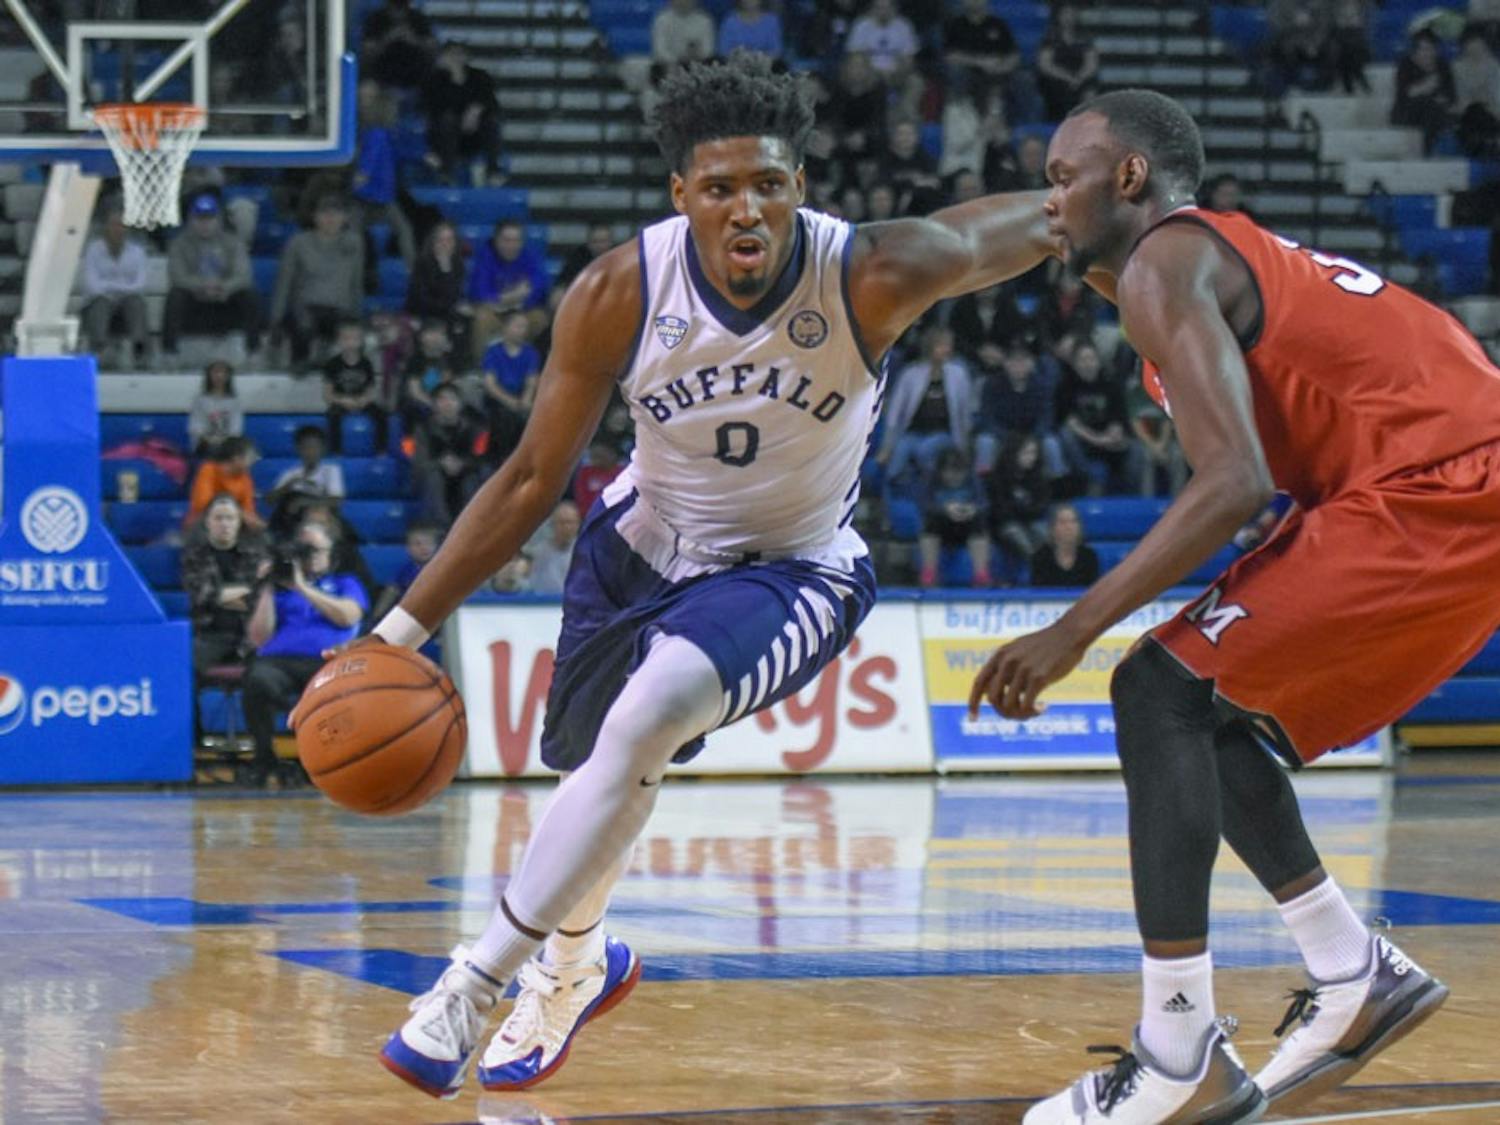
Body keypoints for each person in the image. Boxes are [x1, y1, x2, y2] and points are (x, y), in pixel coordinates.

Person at [346, 52, 1056, 1102]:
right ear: (681, 197)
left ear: (800, 188)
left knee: (648, 721)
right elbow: (533, 476)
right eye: (720, 187)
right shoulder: (616, 292)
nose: (747, 208)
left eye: (769, 183)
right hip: (636, 546)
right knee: (595, 774)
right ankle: (578, 967)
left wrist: (1134, 202)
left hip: (792, 569)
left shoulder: (868, 273)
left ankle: (471, 983)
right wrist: (393, 637)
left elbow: (1046, 220)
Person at [971, 88, 1497, 1122]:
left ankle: (1178, 1055)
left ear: (1128, 176)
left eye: (1061, 176)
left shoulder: (1166, 258)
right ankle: (1353, 971)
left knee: (1153, 691)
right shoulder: (1190, 266)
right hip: (1438, 483)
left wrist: (1071, 627)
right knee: (1201, 709)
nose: (1050, 202)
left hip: (1441, 484)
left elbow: (1231, 484)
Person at [245, 520, 367, 787]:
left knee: (325, 688)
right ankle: (265, 758)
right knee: (257, 680)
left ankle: (315, 763)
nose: (308, 557)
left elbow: (348, 617)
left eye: (314, 550)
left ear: (330, 554)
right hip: (278, 662)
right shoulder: (279, 590)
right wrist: (267, 586)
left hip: (326, 661)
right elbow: (258, 638)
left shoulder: (345, 582)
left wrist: (303, 588)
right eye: (303, 550)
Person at [271, 195, 365, 369]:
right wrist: (275, 319)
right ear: (315, 217)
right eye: (325, 214)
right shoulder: (298, 243)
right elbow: (284, 282)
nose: (330, 219)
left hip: (339, 308)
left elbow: (356, 281)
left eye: (336, 214)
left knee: (352, 335)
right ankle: (299, 368)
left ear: (344, 218)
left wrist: (357, 315)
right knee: (302, 326)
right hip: (306, 306)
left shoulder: (353, 243)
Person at [163, 193, 260, 359]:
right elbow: (178, 276)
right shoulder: (179, 244)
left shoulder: (233, 242)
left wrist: (224, 287)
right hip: (195, 302)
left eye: (209, 218)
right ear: (191, 220)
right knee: (175, 297)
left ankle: (253, 350)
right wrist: (202, 285)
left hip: (224, 300)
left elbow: (243, 275)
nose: (205, 224)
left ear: (218, 220)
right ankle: (169, 352)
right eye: (200, 219)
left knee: (249, 296)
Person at [182, 494, 272, 674]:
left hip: (248, 635)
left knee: (269, 670)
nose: (224, 524)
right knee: (183, 665)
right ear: (208, 522)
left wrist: (221, 595)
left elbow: (257, 598)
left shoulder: (255, 555)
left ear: (239, 522)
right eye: (218, 518)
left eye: (230, 518)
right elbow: (202, 596)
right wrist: (247, 592)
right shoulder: (194, 556)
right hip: (209, 635)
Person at [875, 324, 974, 486]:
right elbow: (895, 413)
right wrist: (887, 445)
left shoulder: (959, 374)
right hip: (913, 433)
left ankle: (926, 490)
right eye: (941, 345)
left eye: (948, 345)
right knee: (899, 452)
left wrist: (965, 446)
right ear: (930, 347)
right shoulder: (911, 374)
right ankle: (890, 493)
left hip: (944, 433)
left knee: (925, 449)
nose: (946, 349)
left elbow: (965, 413)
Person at [422, 41, 504, 186]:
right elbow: (434, 106)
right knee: (448, 119)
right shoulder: (434, 79)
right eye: (451, 54)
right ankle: (447, 172)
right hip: (444, 134)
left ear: (467, 57)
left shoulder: (480, 76)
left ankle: (493, 171)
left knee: (491, 122)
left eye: (459, 54)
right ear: (443, 57)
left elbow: (490, 102)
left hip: (475, 133)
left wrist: (474, 112)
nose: (455, 58)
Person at [467, 220, 552, 356]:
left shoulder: (530, 256)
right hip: (495, 314)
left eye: (516, 240)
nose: (511, 245)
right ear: (496, 241)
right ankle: (482, 369)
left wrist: (519, 302)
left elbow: (540, 287)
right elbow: (479, 293)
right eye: (506, 240)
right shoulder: (486, 257)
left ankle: (533, 368)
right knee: (481, 317)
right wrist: (510, 297)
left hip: (522, 313)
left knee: (540, 318)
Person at [79, 202, 149, 367]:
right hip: (99, 300)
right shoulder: (93, 250)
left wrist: (111, 287)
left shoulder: (138, 253)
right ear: (106, 227)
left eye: (122, 225)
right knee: (100, 303)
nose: (118, 229)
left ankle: (138, 350)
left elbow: (140, 285)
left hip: (127, 300)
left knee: (136, 302)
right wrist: (119, 289)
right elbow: (92, 285)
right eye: (114, 225)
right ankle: (100, 349)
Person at [413, 382, 484, 525]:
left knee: (473, 480)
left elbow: (482, 458)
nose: (447, 404)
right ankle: (442, 527)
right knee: (433, 479)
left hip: (465, 474)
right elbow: (419, 461)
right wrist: (440, 464)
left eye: (452, 399)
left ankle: (470, 526)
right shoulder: (423, 430)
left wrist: (462, 464)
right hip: (435, 475)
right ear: (434, 405)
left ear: (460, 404)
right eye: (442, 399)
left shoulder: (475, 429)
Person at [480, 310, 541, 469]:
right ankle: (501, 461)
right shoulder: (493, 352)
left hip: (520, 397)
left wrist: (526, 400)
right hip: (498, 400)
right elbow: (490, 384)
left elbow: (531, 381)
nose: (522, 330)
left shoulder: (530, 353)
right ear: (505, 328)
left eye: (524, 327)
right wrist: (510, 402)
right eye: (518, 326)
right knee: (504, 418)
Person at [406, 221, 473, 356]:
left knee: (466, 320)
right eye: (440, 240)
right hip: (423, 312)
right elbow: (421, 299)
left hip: (446, 312)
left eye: (449, 240)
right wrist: (445, 271)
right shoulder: (421, 264)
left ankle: (458, 369)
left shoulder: (458, 265)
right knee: (444, 325)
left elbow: (454, 295)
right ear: (432, 242)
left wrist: (447, 270)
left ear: (455, 243)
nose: (445, 244)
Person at [323, 321, 389, 456]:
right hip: (341, 401)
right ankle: (336, 452)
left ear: (361, 341)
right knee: (332, 415)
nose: (350, 343)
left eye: (355, 339)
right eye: (346, 339)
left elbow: (371, 390)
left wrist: (364, 400)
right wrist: (343, 401)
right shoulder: (332, 364)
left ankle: (381, 450)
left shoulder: (366, 363)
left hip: (361, 400)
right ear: (339, 341)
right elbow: (327, 395)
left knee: (381, 414)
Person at [267, 425, 346, 537]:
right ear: (298, 449)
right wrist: (288, 486)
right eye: (306, 448)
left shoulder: (331, 470)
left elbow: (336, 500)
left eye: (315, 447)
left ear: (323, 449)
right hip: (294, 519)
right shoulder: (291, 473)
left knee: (297, 500)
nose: (310, 452)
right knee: (289, 498)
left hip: (322, 518)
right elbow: (269, 501)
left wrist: (303, 502)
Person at [186, 436, 264, 532]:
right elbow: (202, 505)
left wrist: (256, 523)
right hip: (203, 526)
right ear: (236, 458)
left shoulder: (245, 479)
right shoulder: (208, 470)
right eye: (250, 458)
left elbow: (249, 510)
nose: (252, 462)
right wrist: (239, 514)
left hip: (233, 526)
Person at [1036, 5, 1099, 123]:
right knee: (1057, 89)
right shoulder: (1050, 37)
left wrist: (1079, 77)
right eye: (1065, 14)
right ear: (1058, 16)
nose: (1068, 18)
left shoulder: (1084, 37)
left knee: (1089, 89)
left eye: (1071, 14)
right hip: (1057, 77)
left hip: (1079, 78)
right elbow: (1045, 65)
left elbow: (1091, 63)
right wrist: (1067, 77)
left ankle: (1087, 122)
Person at [1026, 501, 1097, 587]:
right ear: (1052, 528)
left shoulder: (1089, 556)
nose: (1069, 527)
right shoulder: (1040, 558)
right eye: (1063, 522)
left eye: (1073, 521)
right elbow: (1038, 595)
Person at [523, 500, 582, 594]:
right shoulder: (537, 554)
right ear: (553, 524)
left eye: (571, 522)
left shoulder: (585, 552)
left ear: (578, 524)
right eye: (562, 523)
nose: (567, 527)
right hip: (542, 605)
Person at [188, 360, 243, 458]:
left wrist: (224, 439)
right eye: (216, 372)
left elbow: (236, 427)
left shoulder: (235, 400)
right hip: (204, 442)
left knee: (244, 450)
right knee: (215, 450)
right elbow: (195, 427)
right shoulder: (200, 399)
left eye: (223, 372)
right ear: (209, 375)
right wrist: (210, 439)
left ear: (228, 376)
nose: (219, 376)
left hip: (228, 442)